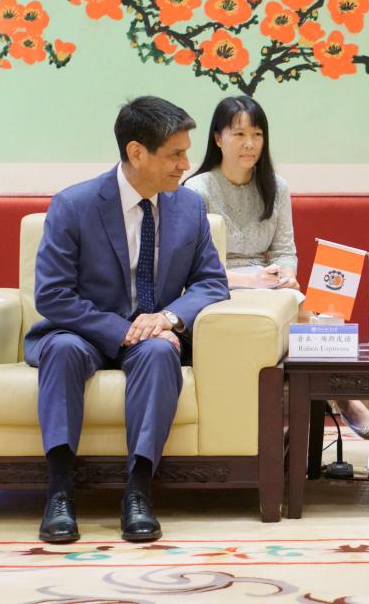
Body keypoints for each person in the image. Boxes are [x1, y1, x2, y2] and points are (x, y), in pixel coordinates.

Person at [25, 96, 229, 544]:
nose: (185, 165)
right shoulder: (74, 204)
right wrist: (124, 331)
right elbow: (53, 295)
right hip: (83, 331)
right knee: (61, 349)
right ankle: (59, 493)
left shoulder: (189, 208)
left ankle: (138, 493)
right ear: (137, 152)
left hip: (152, 334)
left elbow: (212, 283)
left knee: (159, 353)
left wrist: (168, 318)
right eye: (175, 154)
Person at [183, 96, 369, 440]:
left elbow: (284, 250)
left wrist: (287, 277)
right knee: (296, 311)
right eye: (239, 134)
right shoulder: (195, 190)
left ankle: (335, 403)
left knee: (309, 308)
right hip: (218, 285)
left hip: (268, 283)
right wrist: (252, 280)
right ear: (218, 138)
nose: (250, 144)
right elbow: (195, 269)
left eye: (257, 134)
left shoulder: (275, 186)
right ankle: (344, 401)